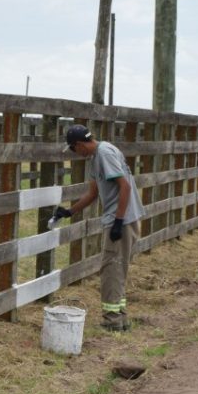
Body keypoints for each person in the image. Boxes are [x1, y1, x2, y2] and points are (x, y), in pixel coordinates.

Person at [54, 125, 145, 331]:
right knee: (116, 268)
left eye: (74, 150)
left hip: (121, 220)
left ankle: (112, 321)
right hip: (121, 219)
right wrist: (69, 212)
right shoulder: (96, 157)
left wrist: (119, 221)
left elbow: (125, 186)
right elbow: (93, 194)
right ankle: (120, 319)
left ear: (79, 144)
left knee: (111, 269)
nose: (76, 155)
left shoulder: (104, 154)